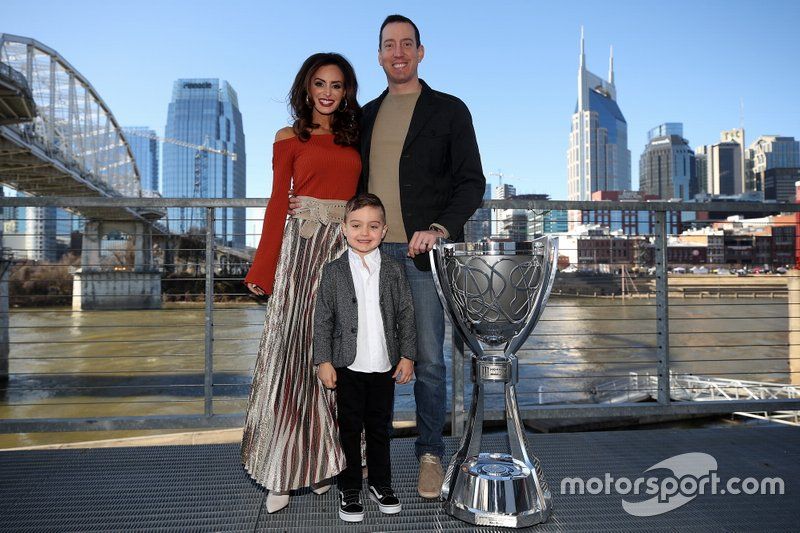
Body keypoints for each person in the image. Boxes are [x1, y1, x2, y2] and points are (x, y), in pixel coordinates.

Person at [359, 14, 486, 498]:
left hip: (421, 255)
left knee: (429, 360)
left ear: (420, 51)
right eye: (389, 45)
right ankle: (376, 453)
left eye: (406, 44)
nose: (398, 52)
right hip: (370, 254)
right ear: (379, 55)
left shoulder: (450, 111)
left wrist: (439, 228)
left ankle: (430, 453)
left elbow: (471, 182)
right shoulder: (366, 114)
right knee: (372, 359)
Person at [241, 52, 362, 514]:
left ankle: (325, 460)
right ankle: (283, 469)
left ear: (345, 91)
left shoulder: (356, 137)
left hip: (344, 254)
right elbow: (277, 203)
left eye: (337, 85)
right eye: (320, 83)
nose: (328, 92)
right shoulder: (289, 137)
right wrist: (263, 267)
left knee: (337, 356)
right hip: (301, 252)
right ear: (307, 88)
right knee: (292, 354)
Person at [313, 193, 416, 523]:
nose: (364, 232)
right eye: (356, 225)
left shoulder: (395, 271)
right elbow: (323, 318)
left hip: (383, 365)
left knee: (380, 429)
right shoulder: (333, 271)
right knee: (348, 429)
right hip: (348, 365)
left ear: (384, 231)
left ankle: (382, 484)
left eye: (373, 226)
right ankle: (350, 487)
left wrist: (408, 355)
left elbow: (406, 315)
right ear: (344, 229)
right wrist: (323, 360)